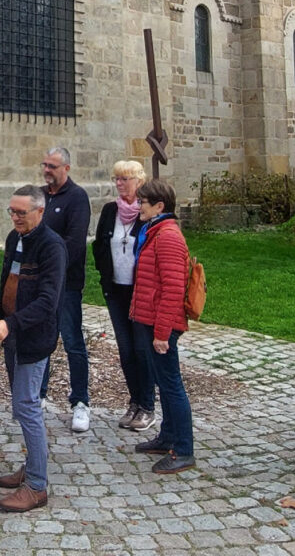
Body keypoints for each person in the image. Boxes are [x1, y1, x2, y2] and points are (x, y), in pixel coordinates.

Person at [0, 185, 66, 513]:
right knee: (21, 406)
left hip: (33, 338)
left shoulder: (52, 247)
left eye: (22, 212)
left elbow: (48, 302)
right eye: (12, 211)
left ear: (40, 212)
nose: (15, 217)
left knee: (28, 405)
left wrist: (10, 324)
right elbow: (8, 281)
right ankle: (32, 464)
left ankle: (36, 485)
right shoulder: (12, 239)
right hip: (13, 335)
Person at [129, 179, 196, 473]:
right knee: (164, 384)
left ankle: (183, 449)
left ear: (160, 206)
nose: (138, 206)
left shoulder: (167, 236)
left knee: (171, 386)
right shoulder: (155, 232)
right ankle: (168, 437)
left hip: (161, 325)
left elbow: (172, 288)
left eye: (143, 202)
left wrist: (161, 334)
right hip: (149, 320)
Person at [91, 160, 155, 433]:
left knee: (142, 348)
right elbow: (99, 245)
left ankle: (148, 406)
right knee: (126, 350)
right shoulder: (110, 211)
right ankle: (135, 401)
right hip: (116, 289)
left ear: (139, 182)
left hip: (140, 292)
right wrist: (105, 272)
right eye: (116, 179)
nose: (119, 184)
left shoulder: (148, 212)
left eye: (124, 179)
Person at [39, 145, 92, 431]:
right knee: (41, 338)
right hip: (40, 284)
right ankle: (39, 395)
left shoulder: (77, 198)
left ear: (66, 169)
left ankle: (81, 402)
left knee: (72, 341)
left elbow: (73, 242)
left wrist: (52, 269)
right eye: (45, 165)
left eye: (53, 166)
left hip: (67, 284)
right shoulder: (39, 196)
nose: (47, 171)